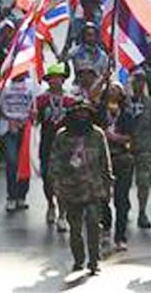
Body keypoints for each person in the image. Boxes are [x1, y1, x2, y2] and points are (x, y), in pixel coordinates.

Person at [49, 98, 113, 275]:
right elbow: (54, 162)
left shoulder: (97, 134)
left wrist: (108, 185)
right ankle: (79, 259)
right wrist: (56, 184)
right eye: (79, 113)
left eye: (85, 113)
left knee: (94, 224)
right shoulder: (62, 136)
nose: (82, 116)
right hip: (71, 189)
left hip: (93, 187)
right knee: (75, 228)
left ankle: (94, 261)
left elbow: (104, 161)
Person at [100, 83, 135, 252]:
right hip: (103, 160)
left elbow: (129, 137)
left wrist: (113, 137)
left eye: (116, 90)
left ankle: (120, 236)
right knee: (102, 197)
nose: (112, 93)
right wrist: (103, 79)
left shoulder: (127, 115)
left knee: (121, 199)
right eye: (110, 90)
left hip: (122, 159)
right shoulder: (100, 113)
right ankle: (105, 227)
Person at [35, 63, 70, 231]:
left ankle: (63, 214)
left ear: (63, 80)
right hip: (47, 144)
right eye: (52, 78)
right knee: (47, 178)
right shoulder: (41, 100)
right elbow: (34, 121)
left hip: (65, 145)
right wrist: (33, 115)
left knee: (63, 180)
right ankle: (50, 204)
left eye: (58, 78)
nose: (55, 81)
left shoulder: (70, 101)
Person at [0, 73, 35, 212]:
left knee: (23, 163)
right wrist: (9, 119)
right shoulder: (3, 84)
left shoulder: (32, 85)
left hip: (25, 129)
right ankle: (11, 196)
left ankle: (22, 196)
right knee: (12, 161)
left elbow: (35, 105)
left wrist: (29, 118)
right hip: (8, 128)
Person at [128, 66, 151, 229]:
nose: (138, 84)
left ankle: (142, 211)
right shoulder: (125, 101)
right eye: (135, 80)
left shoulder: (150, 102)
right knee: (123, 183)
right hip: (126, 146)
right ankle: (124, 209)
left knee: (144, 182)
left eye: (141, 80)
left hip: (145, 145)